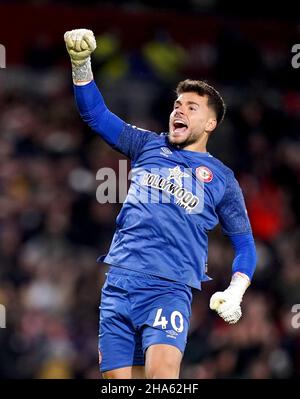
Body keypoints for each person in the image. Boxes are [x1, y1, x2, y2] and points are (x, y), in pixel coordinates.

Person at [64, 29, 257, 379]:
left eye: (191, 107)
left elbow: (244, 243)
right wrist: (81, 64)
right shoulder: (146, 145)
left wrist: (236, 290)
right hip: (118, 284)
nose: (179, 110)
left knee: (161, 379)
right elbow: (96, 115)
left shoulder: (223, 179)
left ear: (210, 123)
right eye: (177, 105)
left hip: (168, 288)